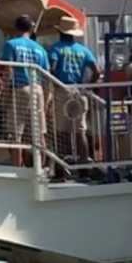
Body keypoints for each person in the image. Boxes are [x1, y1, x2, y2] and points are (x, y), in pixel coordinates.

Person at [48, 16, 99, 163]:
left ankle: (63, 168)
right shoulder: (84, 50)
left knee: (61, 131)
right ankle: (84, 165)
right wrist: (88, 85)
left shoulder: (56, 48)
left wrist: (54, 84)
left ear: (60, 32)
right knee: (80, 131)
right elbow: (97, 71)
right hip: (79, 90)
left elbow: (51, 68)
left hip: (62, 90)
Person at [2, 14, 49, 167]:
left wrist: (4, 92)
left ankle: (18, 168)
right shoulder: (40, 48)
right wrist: (47, 98)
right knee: (39, 133)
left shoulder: (11, 44)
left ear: (16, 28)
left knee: (16, 133)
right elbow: (47, 75)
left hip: (20, 88)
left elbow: (8, 70)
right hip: (38, 89)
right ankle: (41, 168)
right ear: (31, 28)